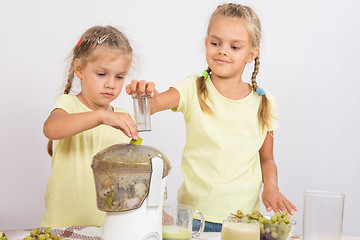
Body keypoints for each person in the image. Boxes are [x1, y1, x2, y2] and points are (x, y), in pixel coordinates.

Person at [127, 3, 297, 232]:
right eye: (215, 43)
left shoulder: (264, 103)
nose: (222, 50)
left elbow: (266, 158)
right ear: (206, 42)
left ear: (251, 54)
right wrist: (143, 95)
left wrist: (272, 187)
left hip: (245, 221)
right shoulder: (191, 89)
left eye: (234, 47)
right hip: (195, 219)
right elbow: (149, 108)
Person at [41, 25, 156, 227]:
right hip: (61, 226)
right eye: (102, 74)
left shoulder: (123, 118)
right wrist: (100, 117)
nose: (111, 84)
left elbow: (129, 177)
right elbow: (51, 128)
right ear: (80, 69)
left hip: (108, 228)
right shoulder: (69, 105)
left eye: (119, 76)